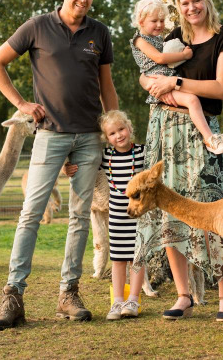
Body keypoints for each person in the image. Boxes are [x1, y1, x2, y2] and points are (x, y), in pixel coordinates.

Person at [0, 0, 118, 330]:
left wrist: (115, 126)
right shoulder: (37, 27)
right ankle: (13, 296)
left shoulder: (100, 34)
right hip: (50, 135)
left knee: (79, 217)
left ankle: (68, 293)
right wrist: (22, 104)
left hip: (90, 138)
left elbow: (107, 86)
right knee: (31, 213)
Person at [132, 0, 223, 321]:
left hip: (200, 130)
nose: (190, 7)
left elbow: (222, 88)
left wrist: (176, 82)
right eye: (184, 3)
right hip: (163, 128)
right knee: (167, 208)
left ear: (205, 0)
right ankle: (183, 294)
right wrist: (150, 82)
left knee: (211, 206)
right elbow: (149, 72)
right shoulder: (172, 38)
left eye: (196, 0)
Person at [64, 110, 147, 320]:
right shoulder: (106, 157)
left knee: (137, 258)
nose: (118, 135)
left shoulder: (143, 152)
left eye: (121, 129)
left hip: (139, 215)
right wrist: (68, 167)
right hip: (116, 215)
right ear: (106, 138)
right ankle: (118, 301)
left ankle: (134, 301)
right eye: (112, 133)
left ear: (129, 128)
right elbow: (84, 166)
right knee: (118, 258)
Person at [130, 0, 223, 154]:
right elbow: (160, 59)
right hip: (158, 84)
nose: (159, 25)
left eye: (162, 21)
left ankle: (209, 137)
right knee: (192, 100)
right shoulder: (139, 40)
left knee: (192, 99)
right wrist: (184, 55)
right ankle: (210, 139)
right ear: (141, 22)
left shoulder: (158, 38)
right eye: (154, 21)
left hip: (165, 82)